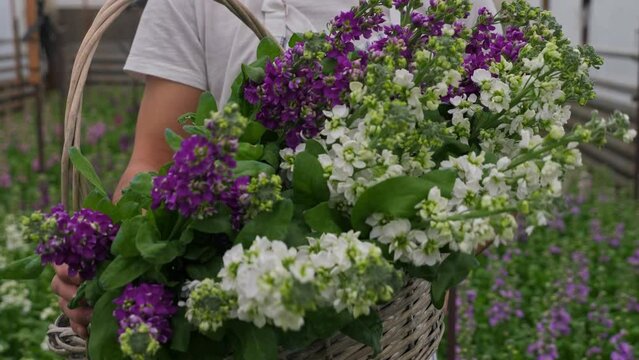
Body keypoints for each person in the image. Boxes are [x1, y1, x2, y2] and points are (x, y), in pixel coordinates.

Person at [50, 0, 497, 340]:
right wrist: (110, 268)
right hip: (226, 303)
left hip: (387, 312)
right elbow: (150, 165)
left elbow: (493, 174)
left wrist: (452, 223)